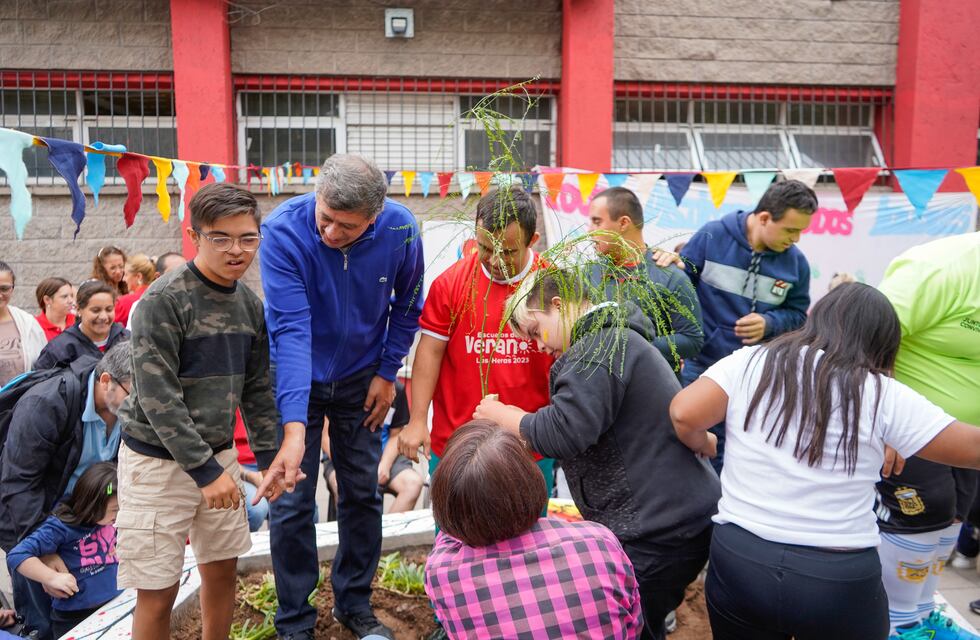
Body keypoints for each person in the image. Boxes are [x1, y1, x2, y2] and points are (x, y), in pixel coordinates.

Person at [669, 282, 980, 640]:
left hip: (741, 558)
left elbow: (683, 413)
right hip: (836, 576)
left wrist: (704, 441)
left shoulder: (751, 361)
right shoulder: (879, 392)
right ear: (883, 343)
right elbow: (972, 449)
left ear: (816, 320)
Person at [475, 266, 720, 640]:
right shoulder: (613, 341)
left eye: (535, 331)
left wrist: (503, 416)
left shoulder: (598, 350)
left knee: (630, 626)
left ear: (559, 305)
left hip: (656, 530)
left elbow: (564, 433)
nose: (539, 346)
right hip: (673, 522)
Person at [115, 183, 300, 640]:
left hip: (219, 459)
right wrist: (204, 471)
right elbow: (160, 398)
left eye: (247, 238)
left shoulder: (249, 305)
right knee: (157, 589)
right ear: (195, 235)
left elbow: (257, 389)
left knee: (221, 571)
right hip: (157, 463)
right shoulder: (163, 300)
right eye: (221, 238)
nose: (236, 250)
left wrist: (271, 457)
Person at [260, 154, 424, 640]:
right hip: (295, 376)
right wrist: (293, 427)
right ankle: (294, 621)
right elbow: (290, 330)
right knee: (290, 501)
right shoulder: (283, 231)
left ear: (375, 216)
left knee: (361, 491)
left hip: (362, 379)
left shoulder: (401, 230)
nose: (331, 233)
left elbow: (408, 303)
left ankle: (354, 603)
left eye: (347, 227)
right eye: (325, 217)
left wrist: (387, 371)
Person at [397, 186, 556, 503]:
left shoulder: (552, 283)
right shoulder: (451, 283)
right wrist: (417, 420)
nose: (494, 260)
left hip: (530, 445)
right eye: (485, 247)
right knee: (457, 540)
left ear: (532, 241)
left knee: (527, 545)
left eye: (507, 251)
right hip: (457, 444)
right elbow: (430, 351)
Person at [426, 420, 644, 639]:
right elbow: (632, 625)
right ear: (531, 479)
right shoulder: (600, 543)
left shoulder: (443, 572)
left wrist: (462, 502)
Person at [659, 179, 817, 473]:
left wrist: (770, 323)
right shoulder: (711, 237)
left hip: (759, 379)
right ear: (765, 217)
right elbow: (681, 288)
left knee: (748, 458)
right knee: (692, 455)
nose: (796, 239)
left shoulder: (797, 264)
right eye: (791, 230)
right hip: (702, 368)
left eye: (800, 231)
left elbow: (798, 316)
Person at [871, 232, 980, 640]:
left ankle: (920, 612)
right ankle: (895, 625)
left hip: (968, 439)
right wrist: (883, 421)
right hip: (910, 429)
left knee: (952, 515)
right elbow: (867, 342)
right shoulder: (939, 268)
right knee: (919, 516)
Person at [0, 342, 131, 640]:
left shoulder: (124, 412)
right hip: (32, 523)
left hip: (84, 520)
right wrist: (44, 554)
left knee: (91, 608)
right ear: (106, 380)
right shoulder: (47, 404)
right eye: (133, 394)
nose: (140, 404)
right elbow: (17, 484)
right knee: (42, 619)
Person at [587, 186, 703, 371]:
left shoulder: (669, 276)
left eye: (597, 222)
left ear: (623, 223)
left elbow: (692, 339)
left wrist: (632, 347)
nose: (589, 231)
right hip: (599, 390)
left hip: (653, 391)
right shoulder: (588, 273)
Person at [7, 462, 121, 639]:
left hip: (115, 603)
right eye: (115, 510)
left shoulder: (109, 520)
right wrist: (51, 577)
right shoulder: (60, 528)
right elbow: (17, 555)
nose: (119, 515)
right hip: (76, 618)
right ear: (93, 504)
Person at [34, 279, 128, 370]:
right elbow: (39, 382)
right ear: (79, 309)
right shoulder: (58, 349)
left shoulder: (128, 340)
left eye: (109, 309)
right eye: (96, 310)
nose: (103, 316)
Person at [376, 382, 423, 513]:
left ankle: (385, 533)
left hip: (388, 451)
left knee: (413, 484)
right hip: (350, 453)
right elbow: (326, 437)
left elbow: (396, 434)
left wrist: (385, 464)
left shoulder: (396, 388)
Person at [0, 262, 46, 386]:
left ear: (13, 288)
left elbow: (43, 365)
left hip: (23, 400)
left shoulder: (28, 323)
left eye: (4, 288)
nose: (0, 295)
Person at [235, 411, 270, 532]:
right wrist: (251, 476)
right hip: (237, 468)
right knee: (257, 510)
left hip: (269, 461)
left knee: (303, 507)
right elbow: (220, 456)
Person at [114, 253, 156, 326]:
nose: (123, 279)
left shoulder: (124, 302)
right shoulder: (160, 296)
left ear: (139, 276)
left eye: (126, 275)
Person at [34, 277, 76, 342]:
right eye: (64, 296)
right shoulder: (34, 326)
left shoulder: (78, 322)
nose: (71, 301)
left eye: (71, 296)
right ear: (47, 300)